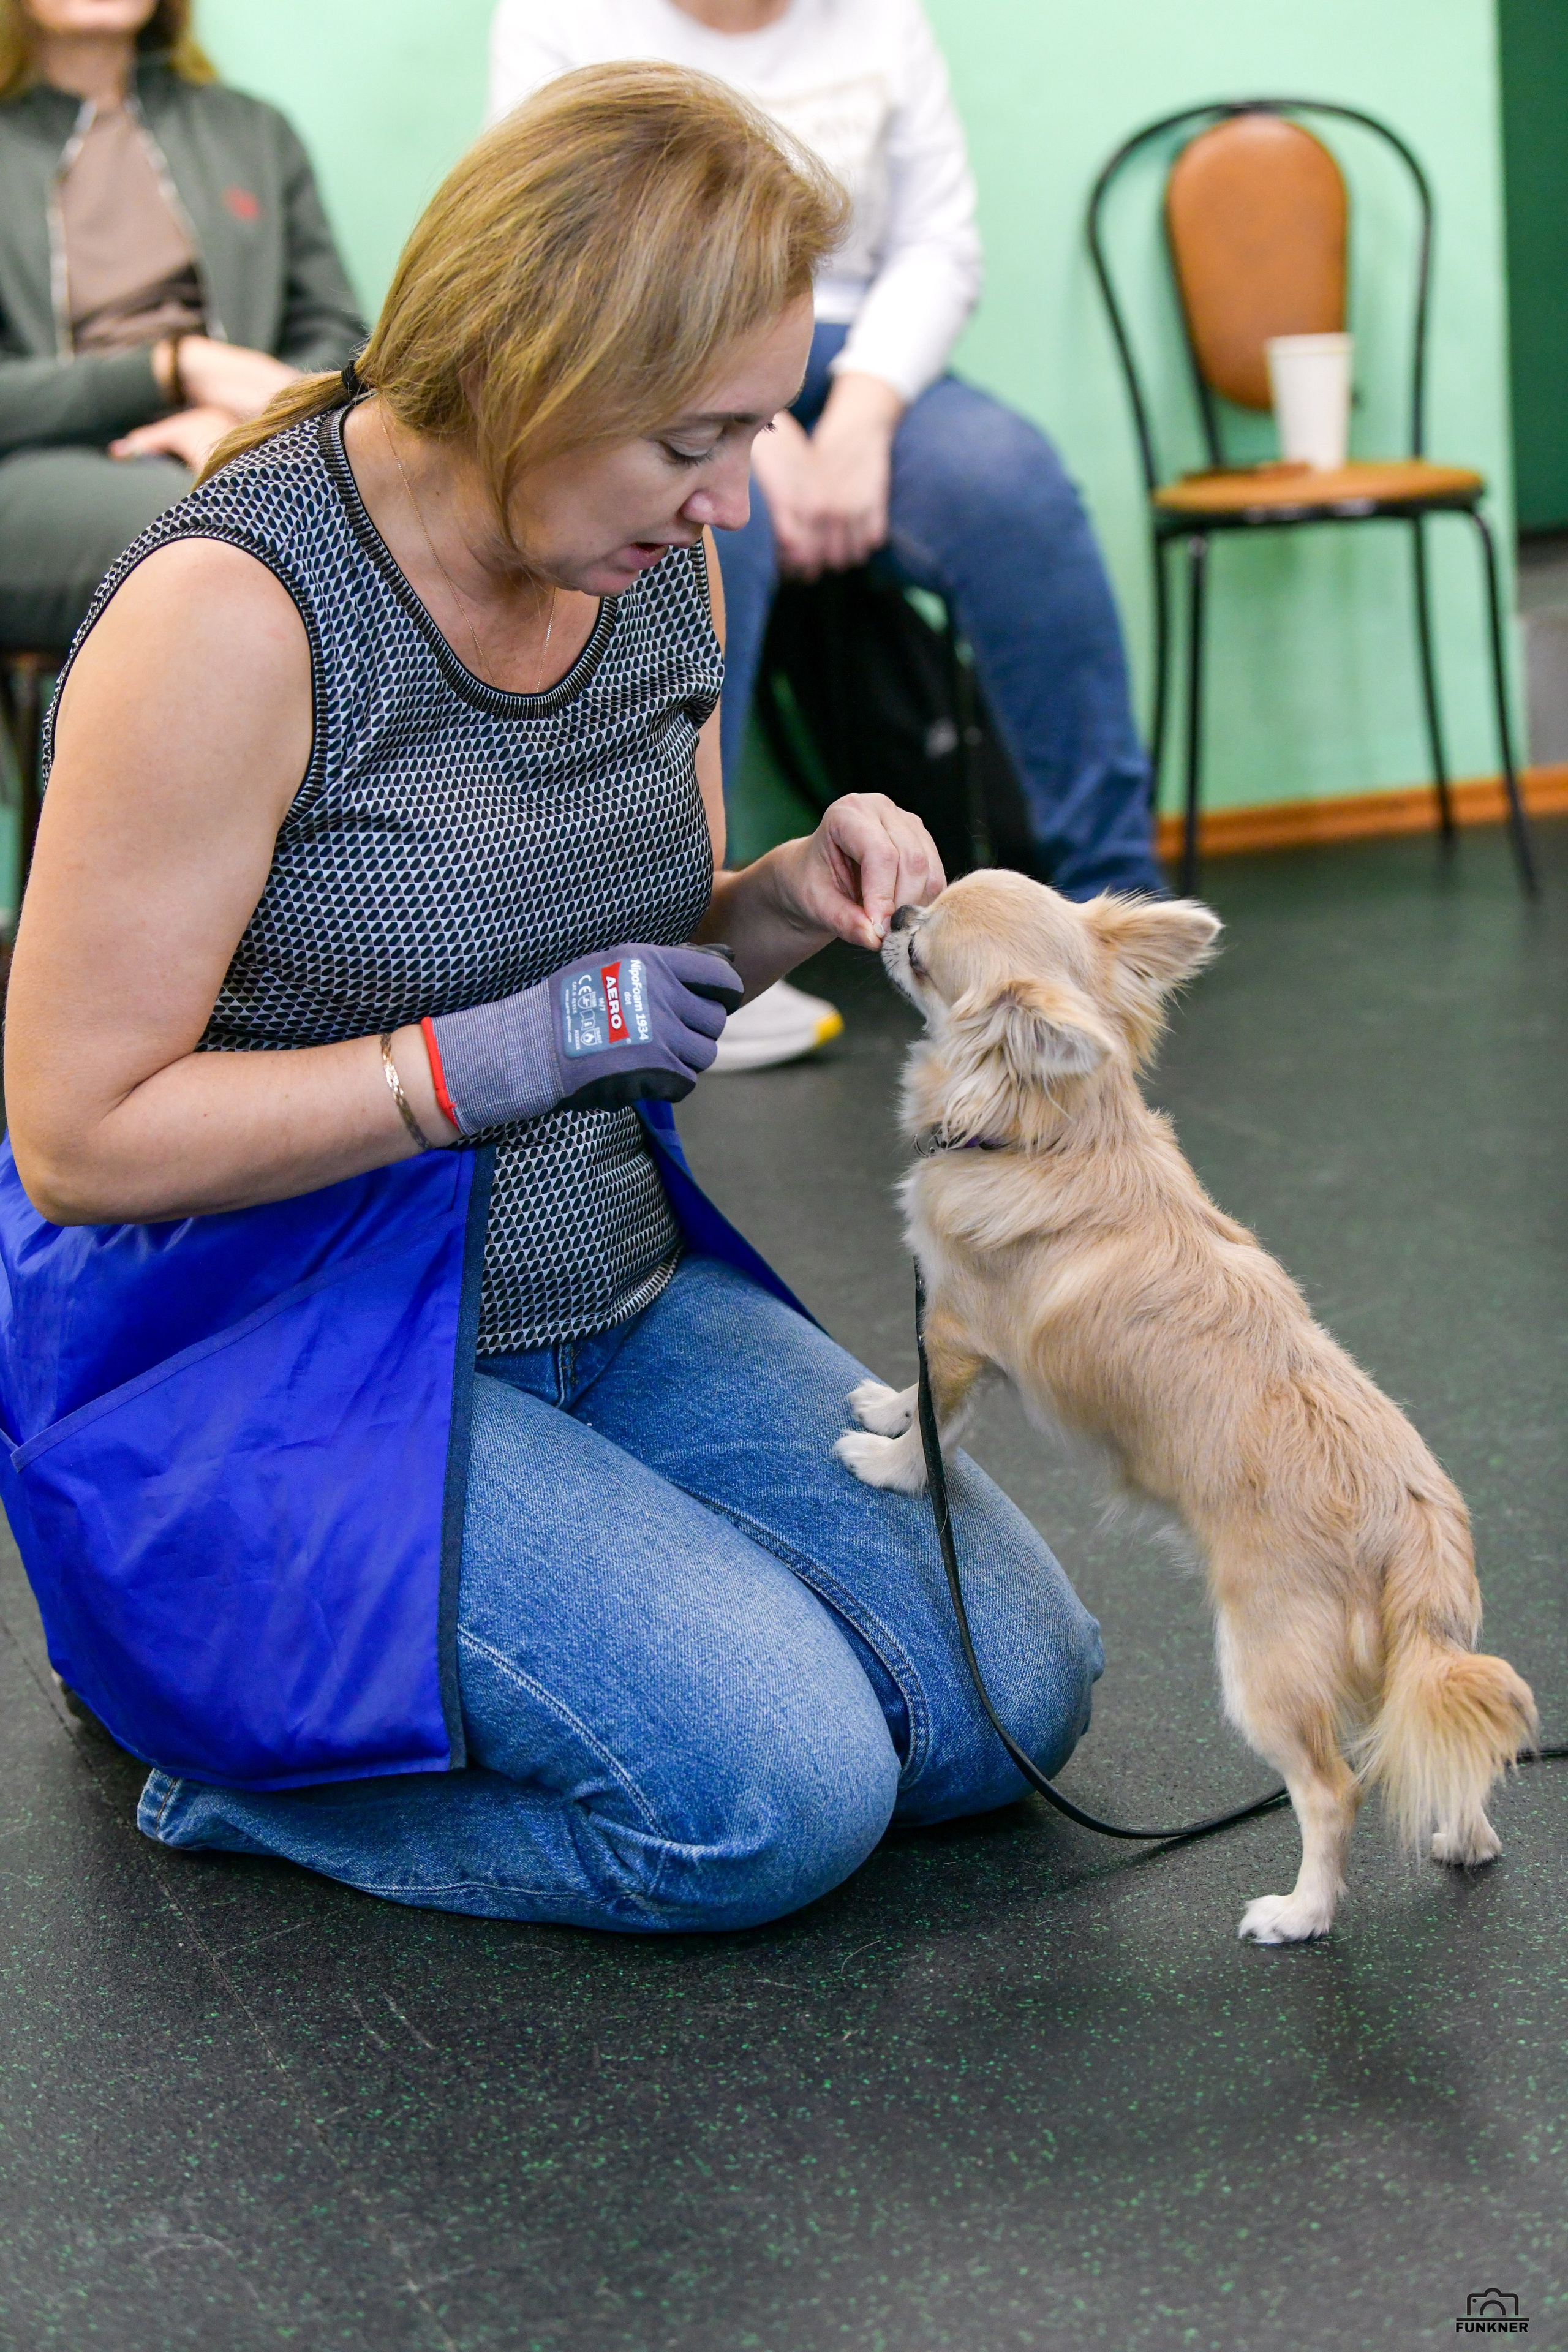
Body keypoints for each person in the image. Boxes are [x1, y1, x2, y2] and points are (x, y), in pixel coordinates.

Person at [1, 64, 1102, 1934]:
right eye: (692, 441)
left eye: (755, 432)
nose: (733, 498)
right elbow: (79, 1139)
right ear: (529, 372)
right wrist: (471, 1065)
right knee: (778, 1798)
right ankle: (210, 1744)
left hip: (602, 1289)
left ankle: (511, 1616)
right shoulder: (232, 611)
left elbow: (631, 976)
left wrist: (779, 903)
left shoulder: (657, 562)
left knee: (1012, 1698)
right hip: (288, 1347)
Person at [490, 0, 1169, 1076]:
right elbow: (553, 246)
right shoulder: (561, 17)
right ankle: (682, 945)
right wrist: (744, 436)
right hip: (662, 357)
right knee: (709, 536)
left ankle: (1108, 906)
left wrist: (857, 417)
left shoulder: (883, 18)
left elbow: (938, 245)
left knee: (1017, 493)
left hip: (870, 360)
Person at [0, 0, 364, 653]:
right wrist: (173, 369)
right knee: (226, 530)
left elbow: (337, 334)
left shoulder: (251, 132)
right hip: (36, 469)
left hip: (235, 448)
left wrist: (240, 431)